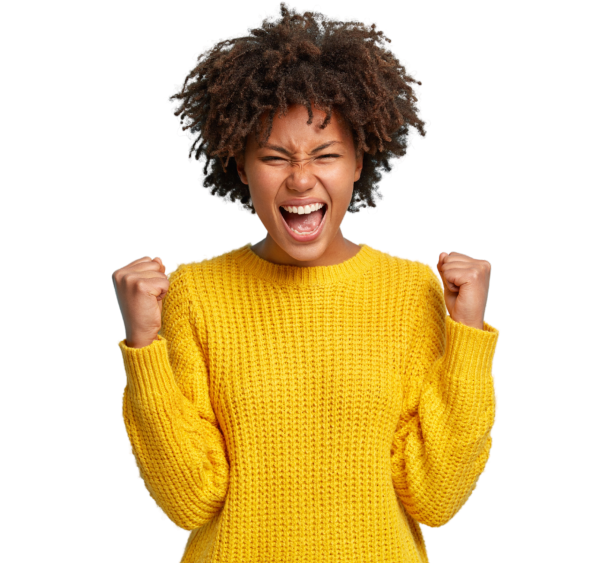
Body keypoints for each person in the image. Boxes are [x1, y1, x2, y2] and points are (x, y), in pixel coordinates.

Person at [113, 3, 500, 562]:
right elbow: (191, 501)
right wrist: (144, 347)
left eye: (326, 155)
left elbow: (435, 500)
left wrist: (466, 335)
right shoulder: (193, 295)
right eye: (274, 157)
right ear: (240, 165)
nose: (300, 178)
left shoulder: (417, 293)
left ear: (360, 161)